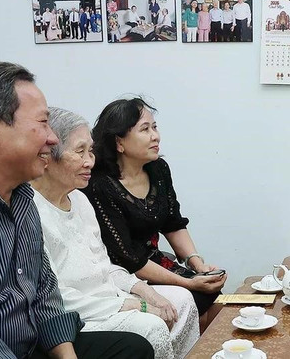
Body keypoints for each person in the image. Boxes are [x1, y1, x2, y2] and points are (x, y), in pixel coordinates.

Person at [0, 61, 154, 358]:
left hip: (30, 344)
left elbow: (45, 292)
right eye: (42, 123)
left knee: (132, 348)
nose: (52, 138)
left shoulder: (21, 195)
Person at [32, 107, 201, 359]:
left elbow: (104, 265)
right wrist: (134, 304)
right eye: (80, 152)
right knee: (152, 326)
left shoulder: (79, 200)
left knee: (182, 300)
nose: (90, 161)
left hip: (110, 295)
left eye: (90, 151)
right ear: (47, 156)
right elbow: (52, 295)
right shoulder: (32, 210)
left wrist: (145, 291)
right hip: (82, 312)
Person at [83, 98, 226, 325]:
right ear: (119, 142)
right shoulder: (99, 185)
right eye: (145, 129)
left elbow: (173, 223)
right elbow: (127, 258)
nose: (155, 136)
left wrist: (198, 266)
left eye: (155, 127)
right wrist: (188, 283)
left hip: (156, 262)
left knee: (214, 295)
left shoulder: (158, 169)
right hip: (123, 275)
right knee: (194, 295)